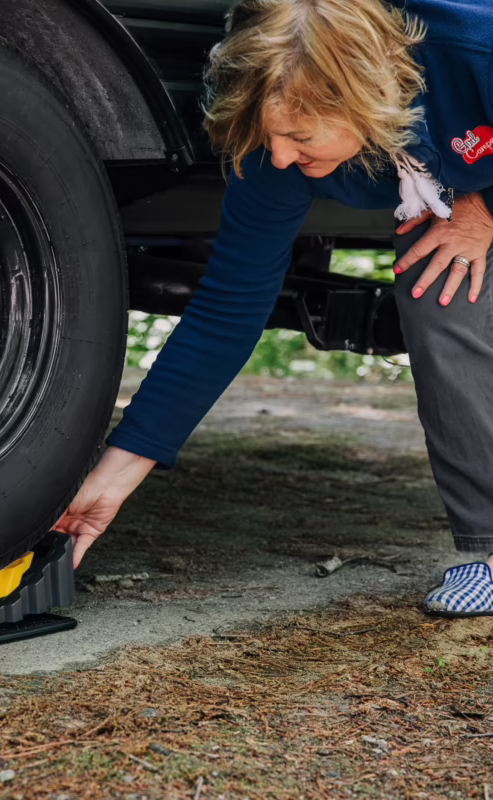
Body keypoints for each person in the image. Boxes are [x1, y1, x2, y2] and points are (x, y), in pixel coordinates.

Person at [54, 0, 493, 617]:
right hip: (438, 177)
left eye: (300, 137)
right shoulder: (270, 149)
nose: (281, 155)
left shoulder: (476, 48)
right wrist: (112, 479)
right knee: (439, 286)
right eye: (270, 136)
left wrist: (483, 207)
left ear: (364, 97)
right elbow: (227, 310)